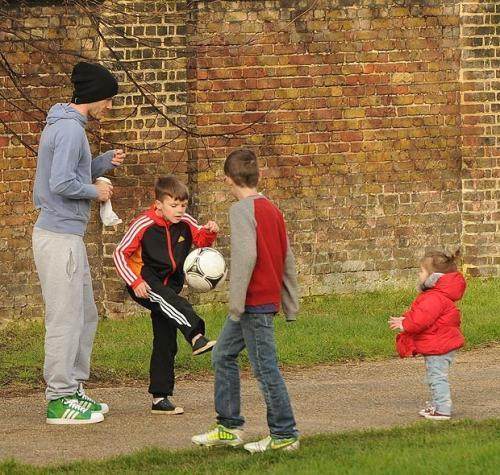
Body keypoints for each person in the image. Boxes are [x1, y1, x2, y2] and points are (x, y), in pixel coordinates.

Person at [32, 61, 125, 424]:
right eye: (109, 100)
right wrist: (96, 191)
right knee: (65, 319)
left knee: (85, 313)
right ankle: (59, 399)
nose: (110, 107)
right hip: (58, 238)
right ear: (96, 96)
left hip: (67, 236)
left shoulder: (65, 125)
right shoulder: (70, 130)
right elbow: (60, 184)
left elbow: (68, 174)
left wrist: (100, 163)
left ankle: (72, 388)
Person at [192, 149, 300, 453]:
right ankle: (228, 426)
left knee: (266, 370)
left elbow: (246, 257)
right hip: (257, 304)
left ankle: (284, 434)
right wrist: (290, 303)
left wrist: (236, 303)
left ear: (228, 179)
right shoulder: (273, 209)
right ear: (258, 176)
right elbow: (287, 258)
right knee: (222, 355)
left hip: (252, 305)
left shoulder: (240, 211)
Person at [113, 175, 219, 414]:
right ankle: (196, 336)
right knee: (172, 302)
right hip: (144, 281)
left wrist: (210, 231)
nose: (180, 210)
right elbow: (119, 253)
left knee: (166, 337)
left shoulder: (184, 221)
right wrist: (134, 280)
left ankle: (160, 398)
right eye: (174, 205)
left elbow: (201, 238)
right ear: (158, 204)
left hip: (169, 285)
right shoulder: (144, 224)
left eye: (183, 205)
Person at [389, 250, 466, 420]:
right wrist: (406, 318)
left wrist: (405, 324)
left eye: (422, 271)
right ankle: (437, 405)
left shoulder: (434, 298)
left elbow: (421, 320)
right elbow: (424, 317)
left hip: (439, 346)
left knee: (437, 377)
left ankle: (443, 409)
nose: (419, 274)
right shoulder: (436, 296)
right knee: (434, 376)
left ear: (433, 277)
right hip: (439, 343)